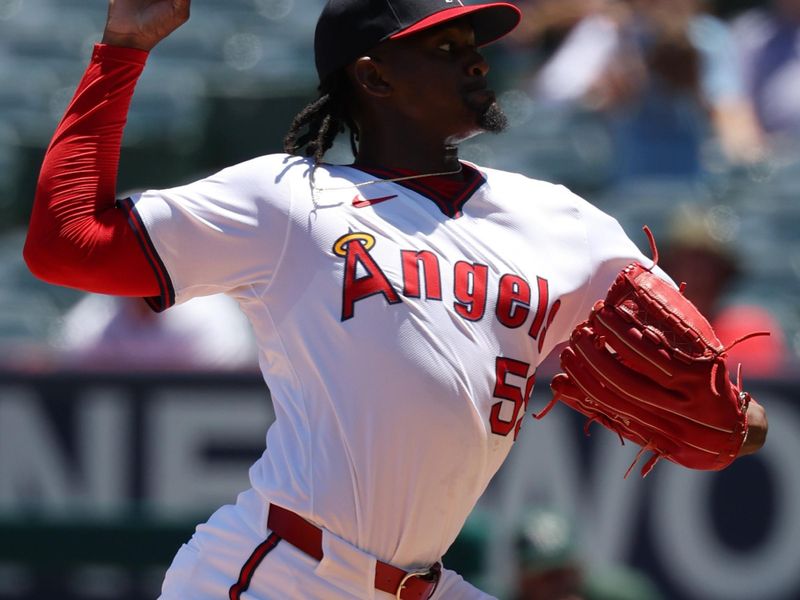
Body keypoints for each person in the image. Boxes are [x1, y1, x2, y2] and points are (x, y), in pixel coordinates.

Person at [22, 1, 767, 599]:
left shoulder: (562, 221)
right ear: (374, 78)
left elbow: (713, 400)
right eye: (444, 46)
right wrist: (121, 51)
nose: (476, 55)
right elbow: (64, 243)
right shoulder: (289, 200)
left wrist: (738, 419)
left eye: (473, 39)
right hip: (278, 572)